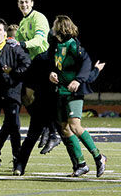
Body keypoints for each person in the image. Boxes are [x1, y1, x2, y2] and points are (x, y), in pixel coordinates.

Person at [48, 15, 106, 178]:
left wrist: (78, 80)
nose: (52, 28)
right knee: (65, 129)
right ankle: (81, 165)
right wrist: (52, 73)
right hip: (61, 91)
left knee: (74, 126)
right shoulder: (56, 45)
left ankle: (99, 157)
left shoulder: (73, 44)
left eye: (54, 25)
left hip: (74, 92)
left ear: (60, 27)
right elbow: (54, 65)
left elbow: (86, 63)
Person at [0, 18, 31, 173]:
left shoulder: (12, 47)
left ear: (4, 33)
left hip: (11, 91)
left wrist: (13, 74)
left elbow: (27, 64)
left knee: (13, 126)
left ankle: (17, 159)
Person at [15, 0, 60, 154]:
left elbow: (40, 41)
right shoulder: (22, 22)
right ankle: (47, 128)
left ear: (32, 3)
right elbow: (16, 41)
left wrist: (21, 44)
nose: (24, 5)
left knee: (42, 101)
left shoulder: (38, 18)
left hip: (44, 60)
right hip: (34, 63)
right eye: (21, 2)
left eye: (26, 2)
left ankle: (52, 132)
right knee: (26, 96)